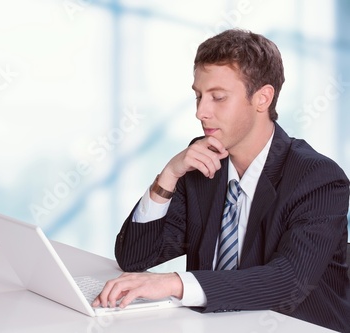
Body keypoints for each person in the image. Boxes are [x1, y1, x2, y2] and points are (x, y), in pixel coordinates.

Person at [92, 29, 350, 332]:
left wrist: (174, 284)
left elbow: (288, 282)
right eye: (199, 96)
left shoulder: (317, 178)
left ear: (262, 98)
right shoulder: (203, 163)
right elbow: (135, 258)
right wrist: (168, 176)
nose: (201, 112)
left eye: (218, 97)